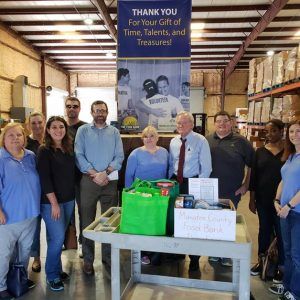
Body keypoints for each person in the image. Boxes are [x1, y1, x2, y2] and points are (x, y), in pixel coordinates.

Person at [75, 100, 124, 276]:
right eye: (97, 111)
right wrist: (95, 174)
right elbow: (79, 155)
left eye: (103, 110)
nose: (100, 113)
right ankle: (88, 260)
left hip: (110, 181)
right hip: (89, 181)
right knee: (87, 221)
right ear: (91, 112)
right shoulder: (83, 131)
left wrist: (106, 172)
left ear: (107, 112)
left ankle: (108, 257)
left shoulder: (115, 132)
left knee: (110, 221)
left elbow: (119, 156)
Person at [206, 111, 254, 267]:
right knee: (211, 224)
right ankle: (213, 252)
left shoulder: (241, 141)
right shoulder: (207, 141)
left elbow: (252, 165)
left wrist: (246, 185)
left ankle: (226, 254)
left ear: (231, 123)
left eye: (225, 121)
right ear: (214, 124)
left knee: (227, 223)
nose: (222, 124)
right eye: (218, 121)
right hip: (210, 191)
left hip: (231, 191)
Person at [0, 123, 40, 300]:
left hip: (30, 214)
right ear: (3, 139)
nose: (16, 138)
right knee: (4, 253)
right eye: (11, 135)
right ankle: (1, 287)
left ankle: (19, 278)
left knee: (24, 252)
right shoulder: (1, 158)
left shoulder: (30, 156)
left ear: (25, 137)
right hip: (7, 217)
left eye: (19, 135)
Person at [169, 111, 212, 272]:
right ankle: (178, 252)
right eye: (178, 123)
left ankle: (194, 259)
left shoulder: (201, 141)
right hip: (176, 183)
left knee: (193, 220)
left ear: (192, 124)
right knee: (177, 218)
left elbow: (206, 167)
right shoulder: (173, 141)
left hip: (192, 183)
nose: (180, 126)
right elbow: (172, 163)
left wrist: (198, 186)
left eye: (184, 123)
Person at [37, 116, 75, 292]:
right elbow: (45, 179)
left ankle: (58, 270)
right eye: (54, 127)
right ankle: (52, 275)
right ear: (48, 130)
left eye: (61, 126)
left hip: (68, 200)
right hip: (52, 203)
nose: (58, 130)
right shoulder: (44, 150)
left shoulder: (68, 148)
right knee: (58, 238)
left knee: (56, 238)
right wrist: (54, 204)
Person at [125, 126, 168, 264]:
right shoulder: (135, 154)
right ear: (142, 138)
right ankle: (142, 252)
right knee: (142, 222)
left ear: (157, 138)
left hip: (159, 194)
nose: (149, 139)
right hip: (141, 193)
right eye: (146, 136)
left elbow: (167, 173)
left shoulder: (165, 152)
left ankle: (156, 252)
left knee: (157, 221)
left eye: (152, 136)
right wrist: (130, 193)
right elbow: (129, 175)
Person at [249, 119, 285, 282]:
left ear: (281, 131)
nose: (269, 135)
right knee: (264, 230)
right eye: (267, 132)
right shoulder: (260, 152)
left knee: (281, 233)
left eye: (273, 131)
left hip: (282, 202)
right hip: (263, 199)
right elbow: (254, 177)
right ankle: (262, 261)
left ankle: (280, 266)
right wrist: (252, 199)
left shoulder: (288, 153)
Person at [269, 119, 300, 300]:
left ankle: (295, 292)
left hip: (296, 213)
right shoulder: (290, 156)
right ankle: (288, 286)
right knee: (287, 252)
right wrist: (277, 199)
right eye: (292, 132)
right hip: (284, 212)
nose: (295, 135)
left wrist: (289, 206)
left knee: (297, 255)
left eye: (298, 131)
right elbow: (283, 180)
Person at [64, 96, 86, 256]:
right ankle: (70, 241)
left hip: (82, 177)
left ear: (79, 108)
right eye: (69, 106)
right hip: (63, 178)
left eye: (75, 106)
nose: (72, 108)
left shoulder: (85, 128)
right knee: (67, 212)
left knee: (83, 212)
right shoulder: (59, 127)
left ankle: (84, 245)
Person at [25, 112, 45, 273]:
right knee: (35, 226)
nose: (37, 126)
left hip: (51, 189)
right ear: (28, 125)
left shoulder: (50, 139)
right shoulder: (25, 143)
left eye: (39, 122)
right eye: (33, 123)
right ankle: (36, 258)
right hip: (33, 191)